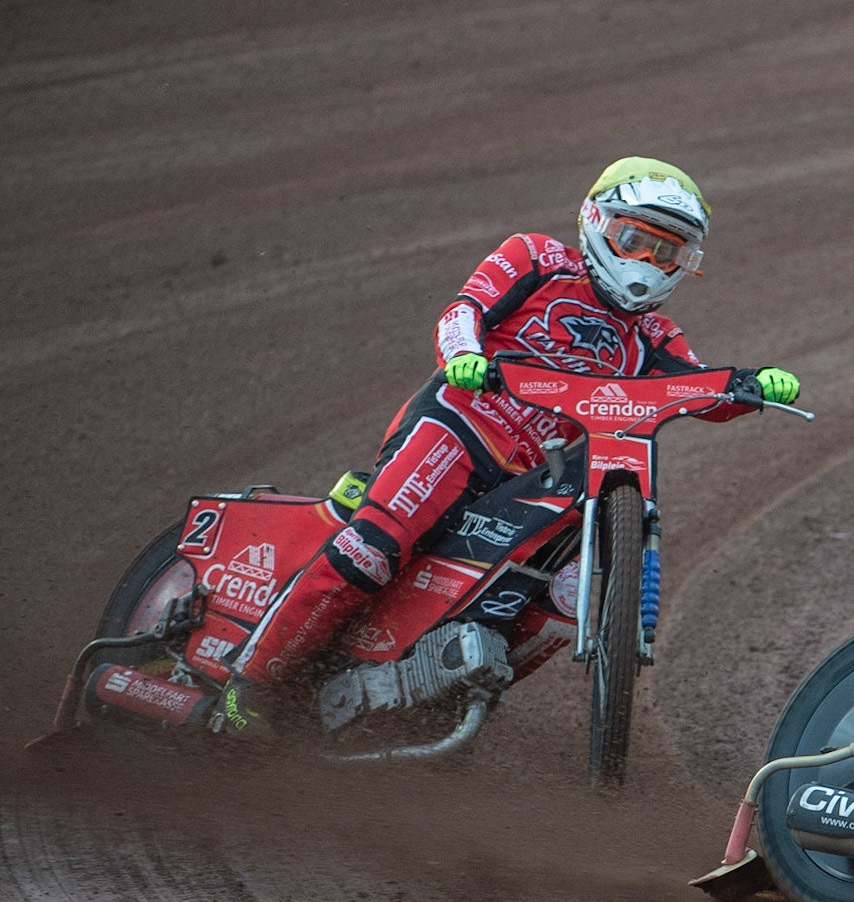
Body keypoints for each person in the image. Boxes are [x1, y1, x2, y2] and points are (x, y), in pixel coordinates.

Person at [222, 157, 801, 733]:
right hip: (462, 427)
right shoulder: (536, 258)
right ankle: (244, 689)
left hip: (538, 478)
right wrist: (464, 357)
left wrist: (751, 387)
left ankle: (435, 695)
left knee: (562, 599)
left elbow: (695, 390)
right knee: (373, 548)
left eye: (667, 252)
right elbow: (464, 310)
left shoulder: (656, 336)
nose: (648, 262)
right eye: (634, 239)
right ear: (597, 222)